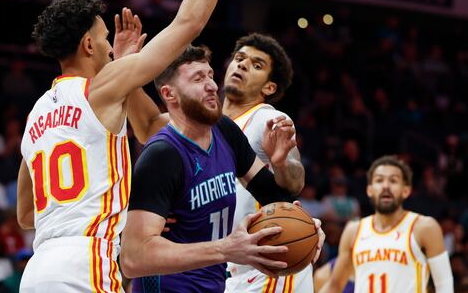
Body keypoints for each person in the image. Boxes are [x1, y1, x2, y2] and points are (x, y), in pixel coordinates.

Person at [16, 0, 249, 293]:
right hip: (88, 261)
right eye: (105, 38)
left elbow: (27, 213)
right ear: (88, 44)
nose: (111, 47)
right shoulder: (99, 89)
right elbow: (187, 25)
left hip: (38, 268)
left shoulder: (37, 114)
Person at [120, 46, 323, 292]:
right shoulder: (161, 155)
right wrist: (225, 248)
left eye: (209, 75)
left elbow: (273, 195)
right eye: (198, 78)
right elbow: (132, 259)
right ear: (169, 94)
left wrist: (307, 225)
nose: (212, 86)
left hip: (216, 283)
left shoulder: (224, 130)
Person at [319, 155, 454, 293]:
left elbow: (444, 284)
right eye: (379, 180)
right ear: (369, 190)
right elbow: (334, 286)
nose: (385, 186)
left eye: (393, 181)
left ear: (406, 191)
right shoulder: (353, 230)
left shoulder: (425, 227)